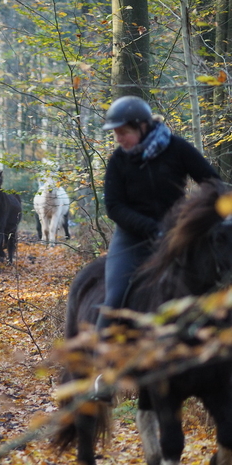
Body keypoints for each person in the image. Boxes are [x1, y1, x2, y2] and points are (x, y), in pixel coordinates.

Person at [96, 95, 220, 336]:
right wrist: (152, 228)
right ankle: (100, 368)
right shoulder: (118, 161)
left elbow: (213, 183)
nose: (119, 139)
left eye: (123, 132)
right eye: (115, 134)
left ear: (143, 127)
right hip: (133, 239)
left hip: (178, 235)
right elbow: (114, 207)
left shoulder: (177, 148)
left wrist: (207, 216)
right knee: (114, 300)